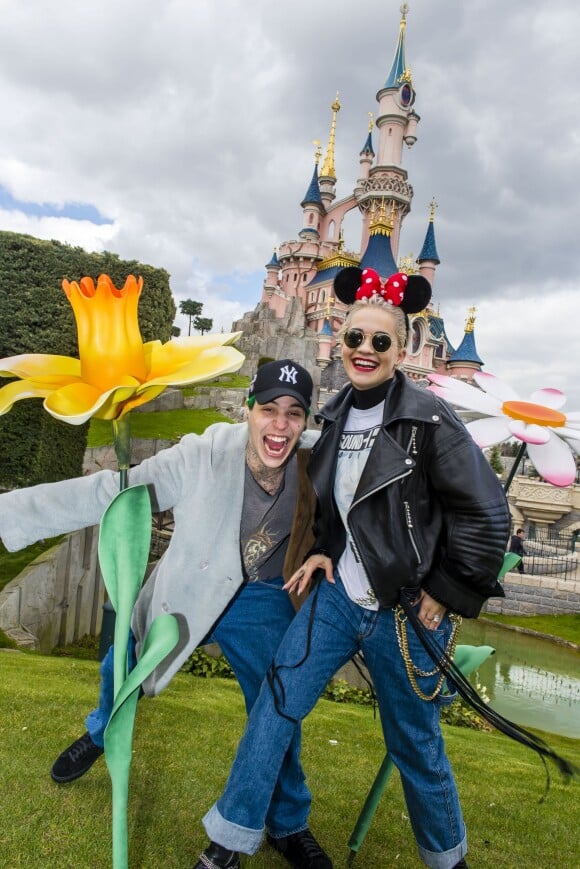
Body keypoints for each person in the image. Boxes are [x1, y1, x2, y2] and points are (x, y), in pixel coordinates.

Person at [194, 268, 510, 869]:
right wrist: (321, 546)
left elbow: (486, 513)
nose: (365, 350)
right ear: (340, 339)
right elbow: (342, 503)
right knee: (276, 702)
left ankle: (449, 860)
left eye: (380, 341)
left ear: (402, 348)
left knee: (414, 743)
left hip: (406, 611)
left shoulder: (430, 420)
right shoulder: (334, 416)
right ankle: (229, 841)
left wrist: (446, 590)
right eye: (355, 339)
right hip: (338, 598)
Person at [0, 358, 333, 869]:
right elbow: (111, 492)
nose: (280, 425)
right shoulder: (201, 455)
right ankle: (98, 733)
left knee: (277, 708)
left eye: (294, 413)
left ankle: (287, 822)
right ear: (248, 410)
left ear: (306, 421)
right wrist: (10, 514)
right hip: (192, 587)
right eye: (269, 410)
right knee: (122, 665)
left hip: (264, 596)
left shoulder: (318, 461)